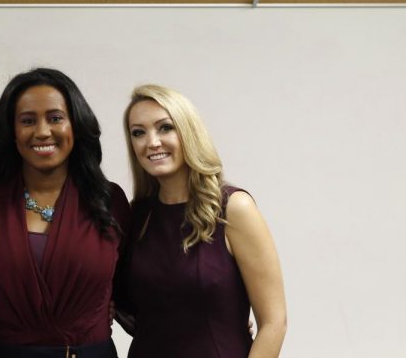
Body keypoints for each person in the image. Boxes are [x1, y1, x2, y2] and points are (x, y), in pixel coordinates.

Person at [0, 68, 130, 358]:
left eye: (55, 118)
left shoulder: (109, 199)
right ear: (11, 131)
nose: (42, 131)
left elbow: (128, 281)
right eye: (28, 121)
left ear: (75, 126)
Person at [117, 84, 286, 358]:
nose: (152, 142)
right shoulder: (137, 216)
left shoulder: (233, 209)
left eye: (165, 127)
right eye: (138, 132)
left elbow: (274, 323)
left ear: (188, 132)